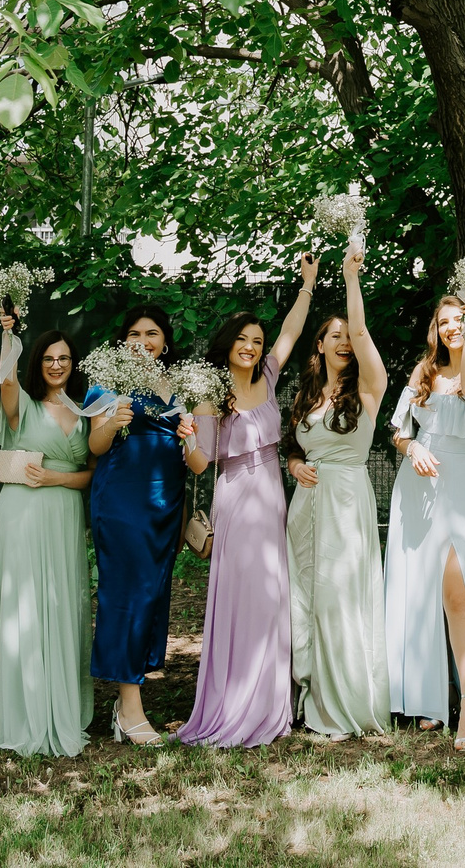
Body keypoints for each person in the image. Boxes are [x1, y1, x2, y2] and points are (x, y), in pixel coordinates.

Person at [175, 266, 317, 748]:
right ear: (228, 343)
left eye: (257, 340)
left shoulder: (270, 376)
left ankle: (270, 703)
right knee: (242, 599)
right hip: (235, 499)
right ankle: (234, 702)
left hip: (272, 495)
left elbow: (293, 330)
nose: (252, 347)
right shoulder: (211, 394)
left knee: (272, 598)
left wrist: (307, 285)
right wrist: (188, 438)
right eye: (243, 339)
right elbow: (200, 465)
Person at [0, 311, 95, 757]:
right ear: (37, 362)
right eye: (48, 357)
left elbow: (88, 475)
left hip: (63, 513)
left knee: (60, 604)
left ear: (73, 363)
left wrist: (55, 480)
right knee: (23, 606)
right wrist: (8, 335)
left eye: (64, 358)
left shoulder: (86, 411)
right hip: (22, 512)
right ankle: (18, 712)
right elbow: (6, 383)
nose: (57, 364)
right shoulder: (22, 404)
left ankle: (56, 705)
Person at [388, 285, 465, 749]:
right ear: (436, 330)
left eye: (460, 320)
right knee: (419, 591)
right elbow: (398, 429)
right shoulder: (424, 370)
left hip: (458, 484)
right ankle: (427, 698)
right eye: (445, 322)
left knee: (457, 596)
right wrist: (411, 445)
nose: (451, 327)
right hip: (416, 485)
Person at [287, 243, 392, 739]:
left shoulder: (369, 389)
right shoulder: (306, 395)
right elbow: (292, 446)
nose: (346, 341)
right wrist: (292, 463)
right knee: (305, 598)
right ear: (321, 347)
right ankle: (309, 698)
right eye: (335, 336)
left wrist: (352, 278)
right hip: (306, 507)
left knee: (338, 598)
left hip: (346, 502)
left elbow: (364, 330)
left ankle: (345, 699)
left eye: (349, 336)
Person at [85, 304, 196, 744]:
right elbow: (95, 446)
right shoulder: (106, 383)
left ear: (164, 341)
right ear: (123, 341)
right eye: (133, 334)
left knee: (151, 594)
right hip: (122, 501)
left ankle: (127, 700)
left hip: (166, 502)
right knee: (126, 595)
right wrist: (112, 421)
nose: (142, 341)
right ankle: (130, 710)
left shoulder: (180, 386)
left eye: (151, 333)